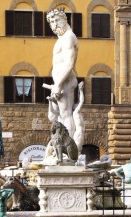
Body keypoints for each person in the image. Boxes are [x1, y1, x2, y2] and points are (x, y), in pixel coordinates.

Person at [44, 8, 78, 138]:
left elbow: (69, 64)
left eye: (57, 20)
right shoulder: (62, 38)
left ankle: (69, 148)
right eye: (51, 22)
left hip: (65, 81)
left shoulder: (69, 37)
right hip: (59, 82)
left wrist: (58, 84)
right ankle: (60, 143)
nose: (55, 24)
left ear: (65, 19)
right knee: (54, 116)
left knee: (66, 114)